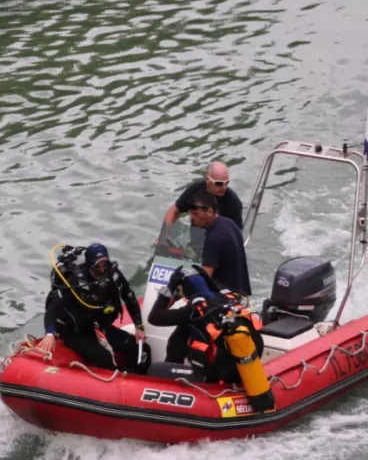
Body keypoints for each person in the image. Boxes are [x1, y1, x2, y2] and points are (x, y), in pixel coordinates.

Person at [35, 243, 150, 373]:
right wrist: (49, 333)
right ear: (90, 266)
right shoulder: (76, 281)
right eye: (97, 267)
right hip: (77, 333)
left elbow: (129, 297)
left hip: (100, 328)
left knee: (143, 348)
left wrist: (139, 327)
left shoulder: (114, 275)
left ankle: (138, 377)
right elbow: (53, 306)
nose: (102, 270)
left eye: (105, 265)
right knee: (105, 357)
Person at [147, 265, 264, 381]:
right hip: (239, 370)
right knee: (182, 331)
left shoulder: (196, 311)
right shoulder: (230, 299)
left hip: (211, 377)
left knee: (154, 370)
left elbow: (154, 318)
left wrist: (170, 287)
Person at [159, 161, 244, 245]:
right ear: (207, 179)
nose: (224, 187)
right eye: (219, 183)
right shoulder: (195, 189)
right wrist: (162, 237)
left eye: (227, 182)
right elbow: (174, 211)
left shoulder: (234, 203)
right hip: (196, 242)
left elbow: (237, 236)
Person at [185, 191, 251, 297]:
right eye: (190, 213)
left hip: (224, 296)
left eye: (195, 214)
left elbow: (205, 276)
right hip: (240, 291)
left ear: (210, 211)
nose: (191, 218)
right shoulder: (229, 223)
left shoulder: (213, 238)